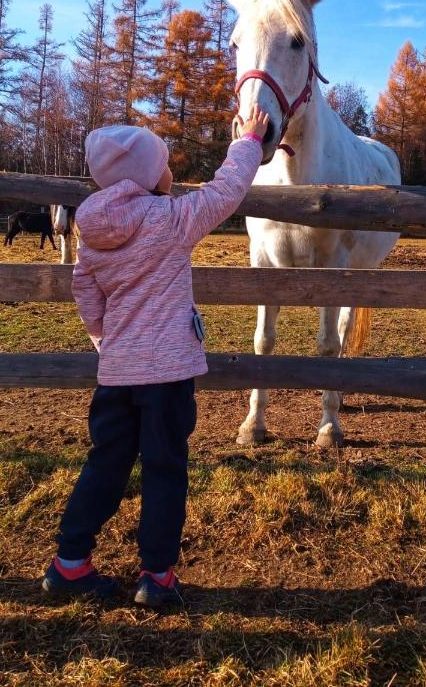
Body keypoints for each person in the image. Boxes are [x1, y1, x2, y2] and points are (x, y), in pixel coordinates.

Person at [41, 105, 269, 607]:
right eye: (164, 163)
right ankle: (157, 576)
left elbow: (87, 297)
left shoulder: (92, 232)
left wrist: (109, 345)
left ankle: (69, 563)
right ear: (147, 177)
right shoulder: (170, 219)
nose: (170, 171)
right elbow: (227, 189)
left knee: (105, 463)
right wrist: (249, 140)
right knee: (165, 468)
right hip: (167, 377)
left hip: (117, 375)